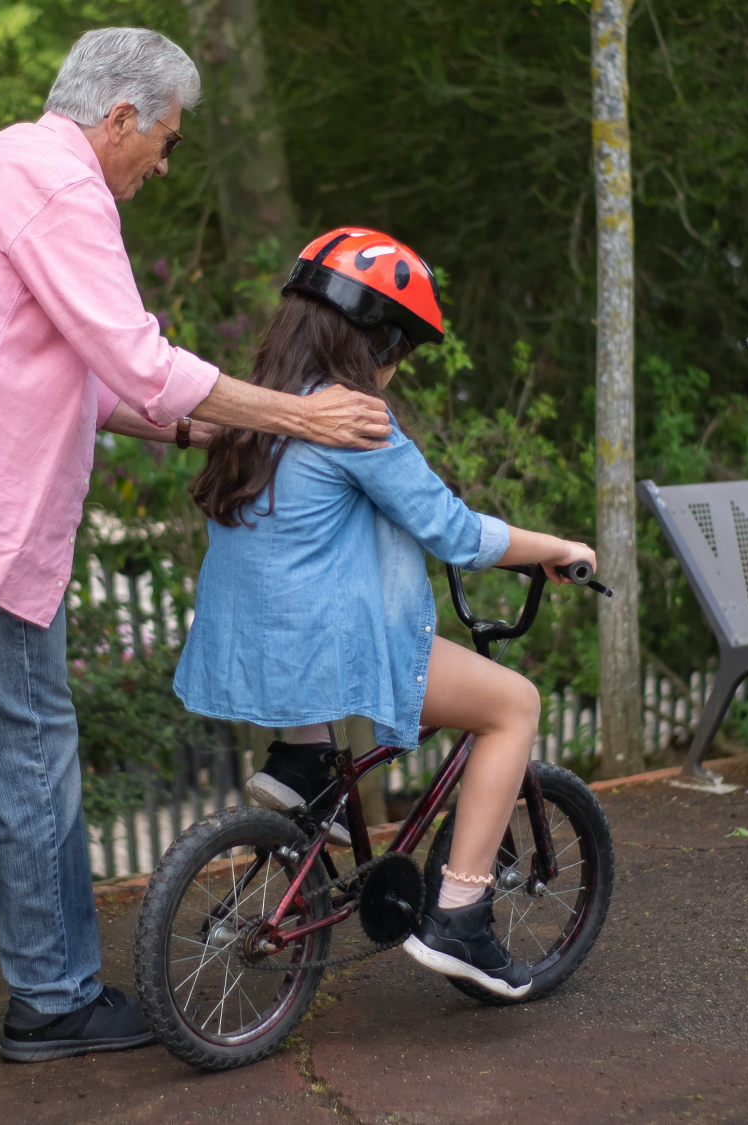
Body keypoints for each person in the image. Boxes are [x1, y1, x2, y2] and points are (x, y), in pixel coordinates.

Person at [0, 31, 395, 1097]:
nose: (163, 163)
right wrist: (301, 416)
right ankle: (56, 1000)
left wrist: (220, 433)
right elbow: (139, 359)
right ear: (118, 119)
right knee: (25, 756)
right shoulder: (60, 188)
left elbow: (95, 387)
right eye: (163, 140)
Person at [173, 227, 596, 998]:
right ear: (372, 340)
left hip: (254, 647)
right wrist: (552, 547)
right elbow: (455, 533)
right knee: (513, 705)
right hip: (330, 649)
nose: (398, 368)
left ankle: (303, 767)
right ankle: (462, 917)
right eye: (399, 346)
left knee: (310, 602)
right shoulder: (354, 420)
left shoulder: (258, 412)